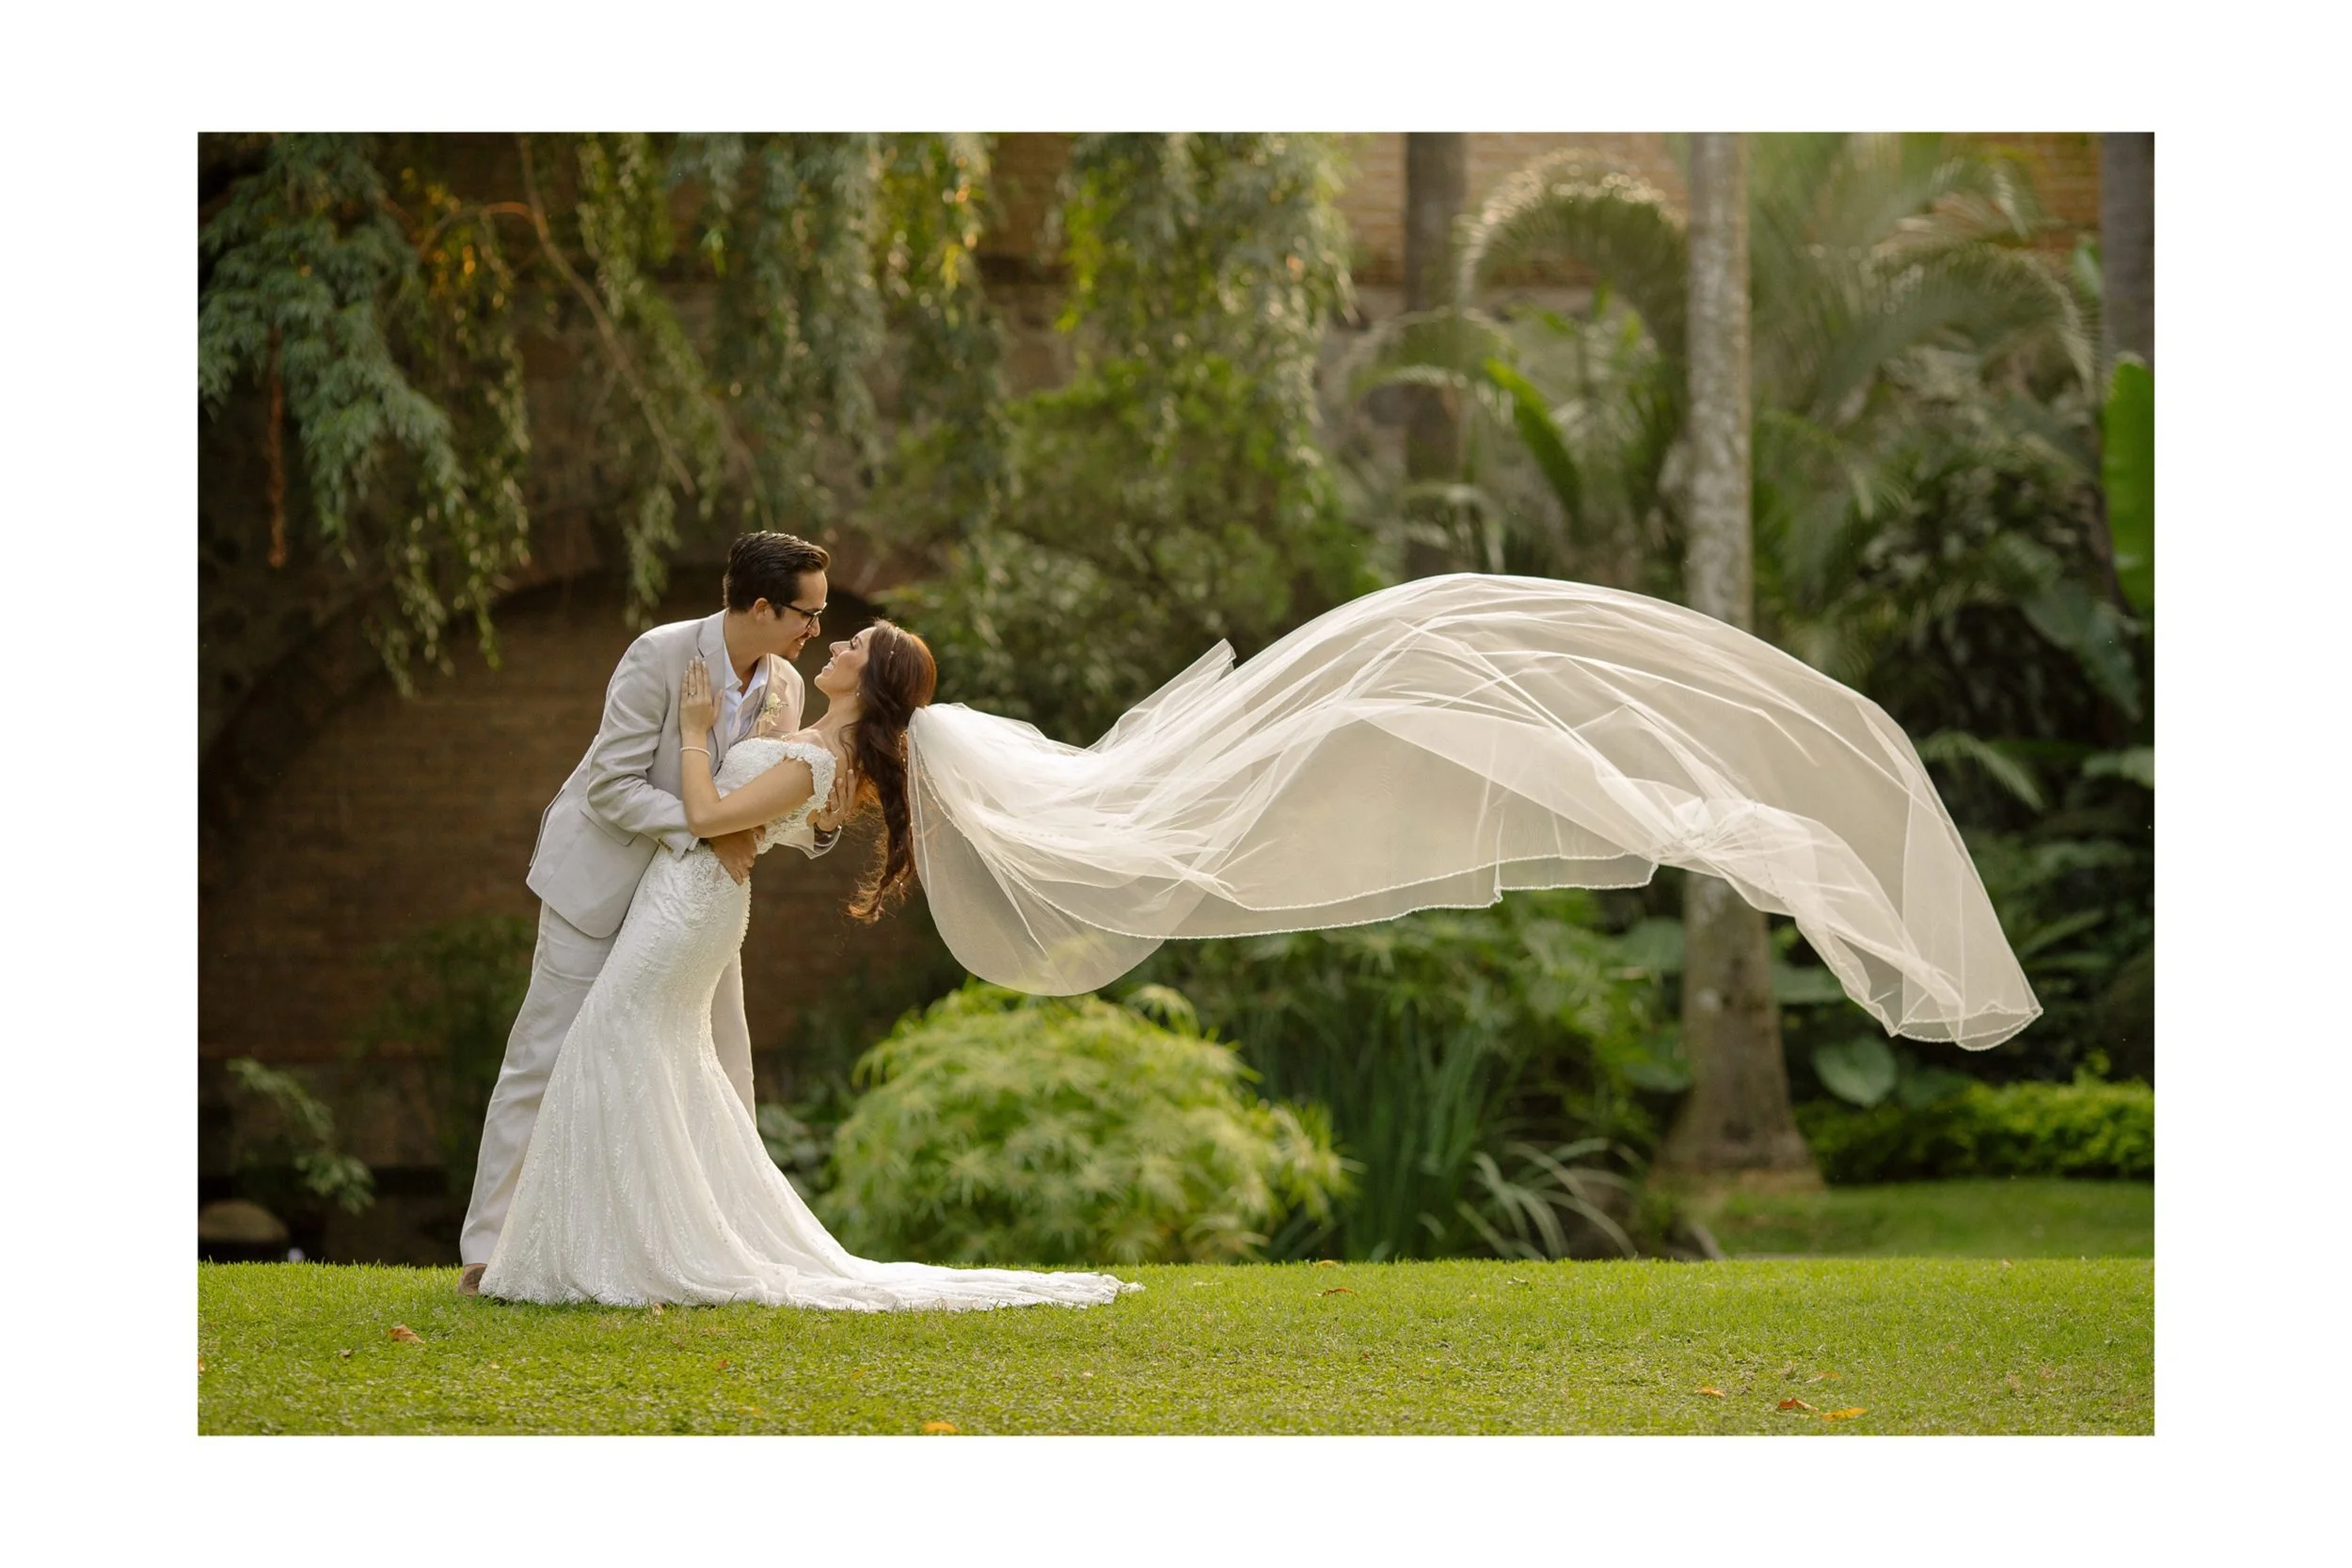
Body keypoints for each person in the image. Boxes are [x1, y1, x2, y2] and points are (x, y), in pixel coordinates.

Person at [477, 621, 1139, 1310]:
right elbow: (762, 822)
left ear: (870, 676)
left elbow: (706, 814)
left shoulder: (819, 756)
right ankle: (613, 1239)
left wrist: (697, 732)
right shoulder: (821, 746)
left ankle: (629, 1244)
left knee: (610, 1039)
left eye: (855, 645)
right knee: (644, 1051)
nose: (836, 645)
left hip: (690, 903)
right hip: (688, 898)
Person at [456, 531, 839, 1294]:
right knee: (543, 1054)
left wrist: (813, 828)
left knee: (727, 1055)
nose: (815, 631)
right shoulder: (659, 655)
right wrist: (705, 830)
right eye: (808, 613)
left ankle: (727, 1237)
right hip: (604, 880)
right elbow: (610, 784)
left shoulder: (787, 688)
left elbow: (767, 798)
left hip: (697, 900)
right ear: (762, 606)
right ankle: (488, 1248)